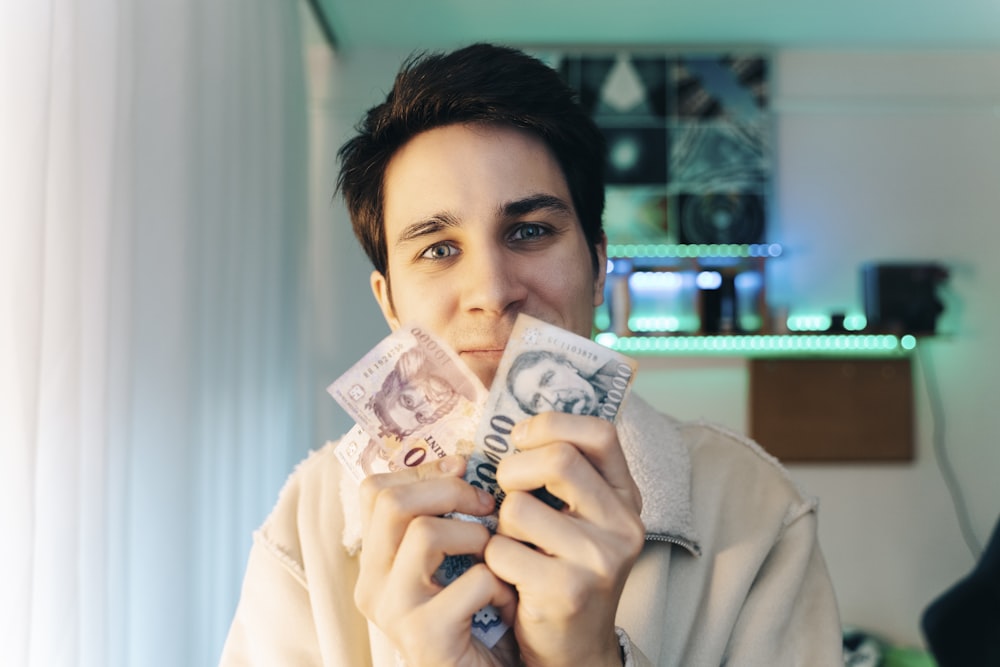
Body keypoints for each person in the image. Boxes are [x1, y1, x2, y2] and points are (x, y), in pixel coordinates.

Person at [220, 43, 843, 666]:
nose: (492, 293)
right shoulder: (310, 521)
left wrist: (588, 660)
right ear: (389, 302)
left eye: (530, 231)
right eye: (438, 249)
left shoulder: (754, 511)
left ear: (598, 268)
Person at [506, 349, 622, 417]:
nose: (552, 399)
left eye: (548, 379)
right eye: (537, 401)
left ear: (568, 366)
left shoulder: (617, 372)